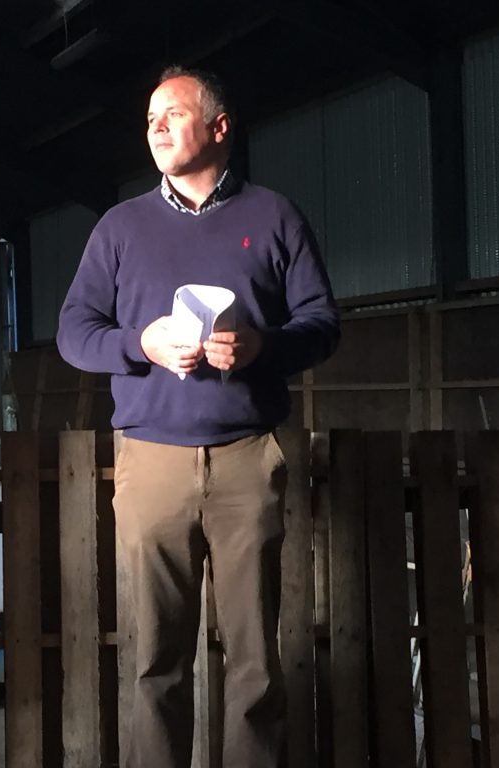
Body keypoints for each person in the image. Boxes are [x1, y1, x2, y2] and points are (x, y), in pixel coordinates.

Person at [57, 67, 339, 768]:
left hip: (248, 454)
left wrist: (263, 347)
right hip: (151, 459)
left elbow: (323, 324)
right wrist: (138, 343)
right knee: (157, 658)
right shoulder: (119, 228)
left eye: (172, 114)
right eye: (149, 116)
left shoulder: (274, 217)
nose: (154, 126)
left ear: (219, 128)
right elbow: (73, 332)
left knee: (254, 658)